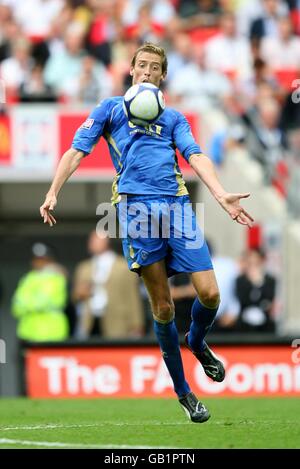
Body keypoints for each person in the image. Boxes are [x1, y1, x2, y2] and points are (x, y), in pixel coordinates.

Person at [40, 42, 254, 423]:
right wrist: (54, 190)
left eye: (154, 67)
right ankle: (185, 394)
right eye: (141, 65)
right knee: (164, 306)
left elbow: (196, 155)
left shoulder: (173, 118)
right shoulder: (110, 109)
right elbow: (76, 150)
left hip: (176, 206)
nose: (147, 72)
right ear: (132, 70)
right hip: (134, 210)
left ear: (162, 75)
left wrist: (220, 194)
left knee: (210, 293)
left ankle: (197, 341)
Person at [72, 229, 144, 339]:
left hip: (117, 321)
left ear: (107, 242)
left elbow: (132, 296)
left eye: (95, 240)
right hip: (89, 322)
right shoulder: (84, 267)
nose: (91, 243)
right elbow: (75, 296)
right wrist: (80, 293)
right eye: (91, 240)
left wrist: (137, 324)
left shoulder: (124, 266)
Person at [11, 242, 69, 342]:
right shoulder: (27, 278)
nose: (38, 262)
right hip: (27, 334)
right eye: (36, 259)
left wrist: (28, 303)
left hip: (52, 333)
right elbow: (16, 306)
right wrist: (32, 302)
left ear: (50, 260)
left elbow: (43, 302)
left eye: (43, 259)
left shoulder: (56, 277)